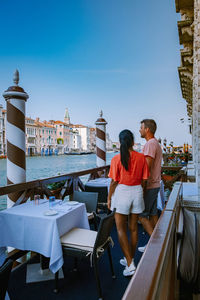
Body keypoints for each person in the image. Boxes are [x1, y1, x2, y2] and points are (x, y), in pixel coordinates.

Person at [107, 129, 149, 276]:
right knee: (133, 229)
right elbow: (144, 180)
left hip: (122, 192)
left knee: (120, 229)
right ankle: (129, 258)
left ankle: (131, 264)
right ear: (132, 141)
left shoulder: (116, 159)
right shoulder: (141, 157)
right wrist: (140, 192)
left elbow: (113, 182)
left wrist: (109, 198)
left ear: (120, 142)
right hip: (137, 191)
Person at [138, 119, 162, 252]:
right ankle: (156, 242)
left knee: (141, 215)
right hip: (155, 184)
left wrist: (142, 187)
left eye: (141, 127)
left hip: (150, 185)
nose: (139, 130)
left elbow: (146, 168)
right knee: (152, 214)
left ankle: (155, 244)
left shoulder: (150, 144)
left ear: (147, 129)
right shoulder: (155, 143)